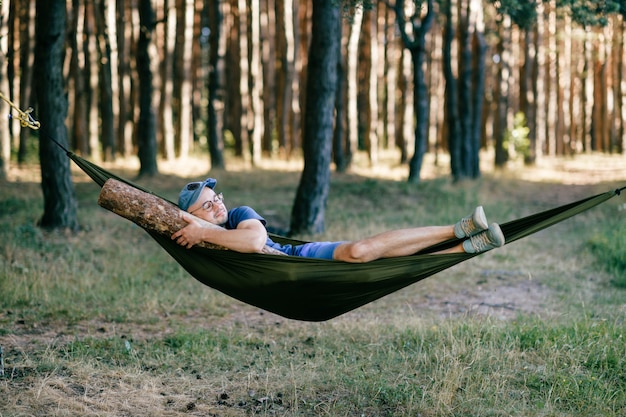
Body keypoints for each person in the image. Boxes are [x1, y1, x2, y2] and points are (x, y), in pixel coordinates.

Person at [171, 178, 505, 262]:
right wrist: (199, 234)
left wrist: (203, 232)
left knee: (360, 252)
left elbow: (255, 242)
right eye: (207, 207)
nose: (217, 207)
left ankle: (458, 229)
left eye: (216, 199)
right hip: (294, 282)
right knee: (378, 265)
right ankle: (467, 248)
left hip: (300, 259)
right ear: (194, 216)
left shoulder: (240, 215)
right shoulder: (203, 238)